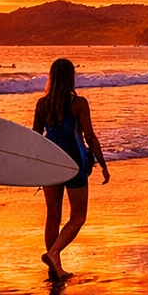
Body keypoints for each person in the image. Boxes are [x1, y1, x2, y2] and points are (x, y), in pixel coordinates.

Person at [35, 58, 109, 280]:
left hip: (50, 163)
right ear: (71, 77)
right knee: (78, 216)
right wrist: (103, 164)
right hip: (74, 163)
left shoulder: (42, 104)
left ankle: (54, 267)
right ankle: (54, 253)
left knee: (52, 216)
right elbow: (90, 137)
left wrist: (35, 166)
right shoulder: (78, 103)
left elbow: (35, 138)